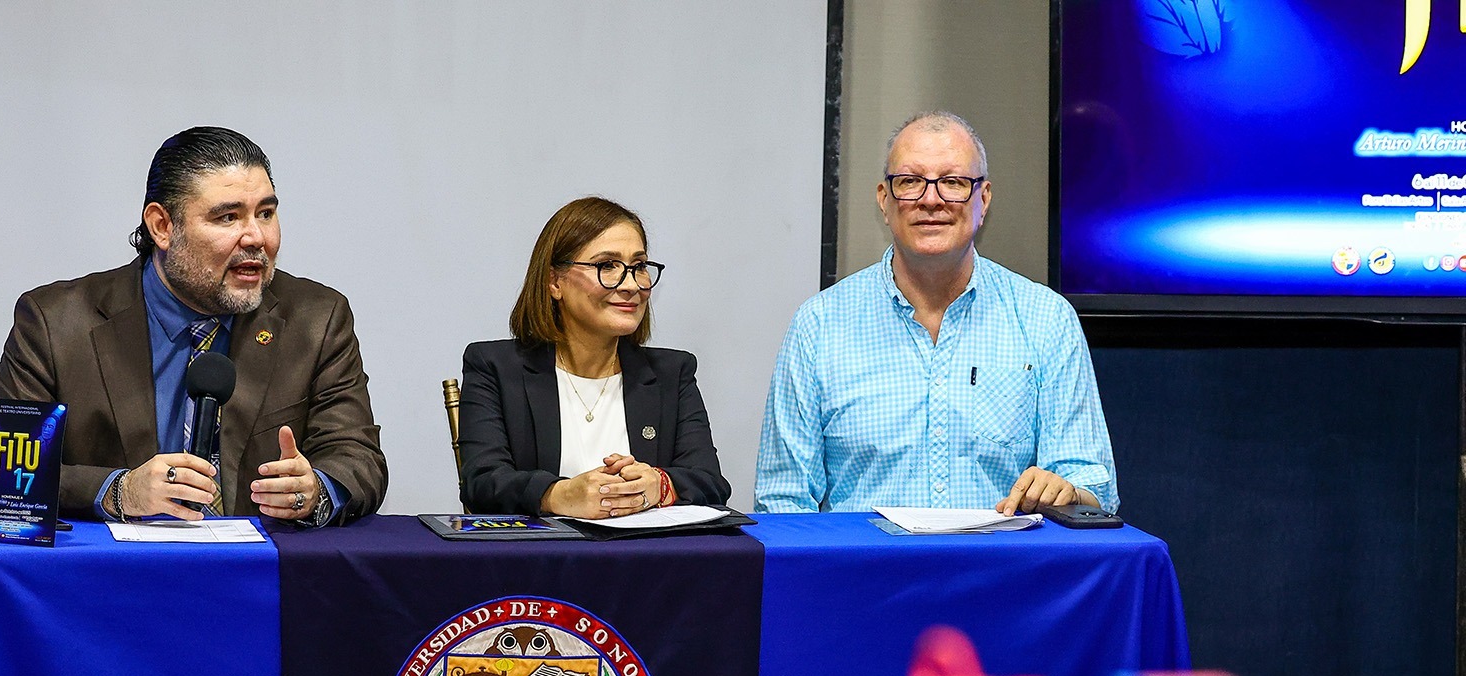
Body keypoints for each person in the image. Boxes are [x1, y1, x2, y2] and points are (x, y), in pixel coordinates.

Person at [0, 126, 387, 525]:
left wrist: (317, 489)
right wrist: (119, 491)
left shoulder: (315, 319)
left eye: (266, 213)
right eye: (228, 217)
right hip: (113, 579)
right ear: (162, 226)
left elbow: (359, 458)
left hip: (258, 576)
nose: (256, 238)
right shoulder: (56, 323)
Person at [754, 111, 1117, 516]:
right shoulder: (818, 326)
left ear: (984, 198)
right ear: (884, 199)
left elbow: (1094, 486)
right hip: (866, 577)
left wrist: (1067, 491)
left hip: (1002, 575)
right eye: (910, 182)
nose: (931, 199)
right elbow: (782, 502)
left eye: (953, 182)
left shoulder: (1046, 319)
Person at [458, 196, 729, 517]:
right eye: (607, 266)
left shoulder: (673, 372)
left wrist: (660, 484)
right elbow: (482, 484)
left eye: (639, 267)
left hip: (647, 559)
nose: (630, 285)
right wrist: (558, 494)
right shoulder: (495, 367)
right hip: (538, 562)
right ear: (554, 282)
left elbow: (711, 482)